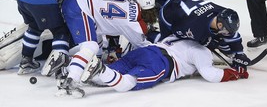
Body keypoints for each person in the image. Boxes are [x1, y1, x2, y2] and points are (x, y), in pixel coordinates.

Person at [54, 0, 159, 95]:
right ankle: (71, 79)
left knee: (97, 45)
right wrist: (160, 48)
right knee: (91, 46)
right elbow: (143, 46)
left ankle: (68, 68)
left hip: (79, 0)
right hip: (80, 6)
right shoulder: (135, 25)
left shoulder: (130, 3)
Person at [76, 34, 248, 95]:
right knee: (128, 83)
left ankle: (82, 69)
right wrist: (235, 73)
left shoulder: (179, 35)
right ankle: (101, 69)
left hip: (145, 50)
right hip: (160, 63)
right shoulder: (201, 52)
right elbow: (210, 75)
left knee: (105, 78)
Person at [156, 0, 251, 74]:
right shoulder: (194, 26)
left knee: (214, 40)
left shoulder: (223, 13)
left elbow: (232, 35)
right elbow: (176, 31)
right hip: (169, 12)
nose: (227, 34)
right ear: (220, 24)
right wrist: (208, 43)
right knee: (168, 44)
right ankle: (152, 35)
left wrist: (239, 53)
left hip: (187, 0)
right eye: (225, 31)